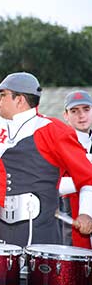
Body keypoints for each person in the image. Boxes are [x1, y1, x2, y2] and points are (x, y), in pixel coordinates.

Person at [0, 72, 92, 248]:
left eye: (3, 95)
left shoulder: (55, 131)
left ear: (19, 100)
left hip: (41, 229)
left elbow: (87, 177)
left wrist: (86, 213)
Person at [61, 90, 92, 248]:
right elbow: (51, 182)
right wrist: (85, 180)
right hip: (71, 220)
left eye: (86, 109)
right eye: (74, 111)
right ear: (66, 115)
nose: (81, 115)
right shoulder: (58, 145)